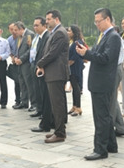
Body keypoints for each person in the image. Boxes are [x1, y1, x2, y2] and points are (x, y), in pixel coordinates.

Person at [76, 8, 121, 160]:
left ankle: (100, 149)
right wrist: (86, 52)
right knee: (105, 115)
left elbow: (106, 58)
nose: (96, 24)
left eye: (98, 21)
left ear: (107, 19)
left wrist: (87, 54)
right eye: (95, 22)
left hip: (103, 82)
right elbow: (97, 54)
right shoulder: (103, 35)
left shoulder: (113, 37)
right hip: (98, 82)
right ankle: (111, 145)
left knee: (101, 117)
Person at [35, 10, 69, 143]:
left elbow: (53, 53)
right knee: (55, 104)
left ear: (57, 19)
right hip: (52, 72)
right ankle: (58, 130)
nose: (47, 21)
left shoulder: (60, 32)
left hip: (57, 73)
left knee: (58, 104)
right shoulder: (55, 32)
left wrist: (40, 63)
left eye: (49, 19)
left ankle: (60, 133)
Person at [29, 17, 50, 119]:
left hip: (42, 67)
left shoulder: (47, 36)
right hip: (35, 64)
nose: (35, 27)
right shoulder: (38, 37)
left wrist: (40, 65)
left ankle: (44, 112)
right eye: (34, 25)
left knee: (43, 91)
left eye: (37, 25)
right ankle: (39, 109)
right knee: (36, 89)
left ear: (44, 26)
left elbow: (45, 53)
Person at [12, 22, 35, 111]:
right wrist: (15, 57)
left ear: (21, 29)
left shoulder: (30, 35)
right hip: (19, 64)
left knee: (29, 84)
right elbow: (19, 49)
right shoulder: (19, 37)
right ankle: (24, 102)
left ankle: (34, 103)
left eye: (16, 30)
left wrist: (21, 59)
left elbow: (31, 50)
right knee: (22, 83)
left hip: (26, 64)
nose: (14, 32)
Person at [67, 25, 85, 117]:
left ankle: (78, 107)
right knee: (74, 86)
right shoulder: (72, 41)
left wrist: (68, 64)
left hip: (75, 66)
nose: (68, 32)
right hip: (72, 66)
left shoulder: (77, 42)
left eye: (69, 31)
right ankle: (74, 106)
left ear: (74, 32)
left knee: (77, 87)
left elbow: (75, 56)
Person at [7, 22, 22, 109]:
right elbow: (9, 50)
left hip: (22, 62)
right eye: (11, 29)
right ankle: (17, 100)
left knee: (24, 83)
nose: (13, 31)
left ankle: (25, 100)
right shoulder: (9, 39)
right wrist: (12, 57)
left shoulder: (21, 38)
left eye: (15, 29)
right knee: (17, 83)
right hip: (15, 63)